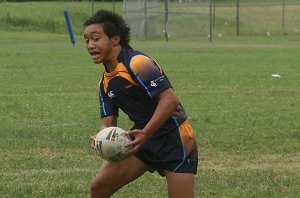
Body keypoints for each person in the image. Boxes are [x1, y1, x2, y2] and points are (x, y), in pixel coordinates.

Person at [83, 10, 198, 198]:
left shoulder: (137, 63)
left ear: (115, 40)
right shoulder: (104, 83)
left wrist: (146, 133)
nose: (90, 45)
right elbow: (107, 122)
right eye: (87, 40)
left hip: (175, 139)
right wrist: (101, 137)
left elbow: (170, 100)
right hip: (140, 140)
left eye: (96, 39)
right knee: (99, 187)